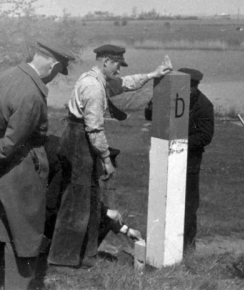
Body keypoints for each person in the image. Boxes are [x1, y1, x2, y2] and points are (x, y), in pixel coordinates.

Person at [47, 44, 171, 269]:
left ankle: (84, 257)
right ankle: (62, 260)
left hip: (80, 141)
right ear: (105, 61)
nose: (119, 70)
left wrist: (154, 74)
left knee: (90, 201)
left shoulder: (99, 80)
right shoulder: (93, 86)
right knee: (76, 203)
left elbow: (126, 84)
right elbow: (94, 128)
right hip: (79, 142)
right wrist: (106, 159)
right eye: (117, 65)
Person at [0, 42, 75, 290]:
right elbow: (12, 144)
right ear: (54, 65)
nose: (55, 78)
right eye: (58, 72)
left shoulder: (3, 75)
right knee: (24, 234)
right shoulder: (32, 94)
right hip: (18, 168)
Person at [144, 68, 214, 253]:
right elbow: (148, 115)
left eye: (188, 88)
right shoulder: (171, 97)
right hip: (165, 161)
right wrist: (155, 99)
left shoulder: (205, 105)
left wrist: (179, 144)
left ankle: (188, 250)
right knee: (163, 203)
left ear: (194, 87)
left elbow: (206, 136)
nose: (184, 91)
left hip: (189, 164)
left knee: (188, 209)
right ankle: (162, 246)